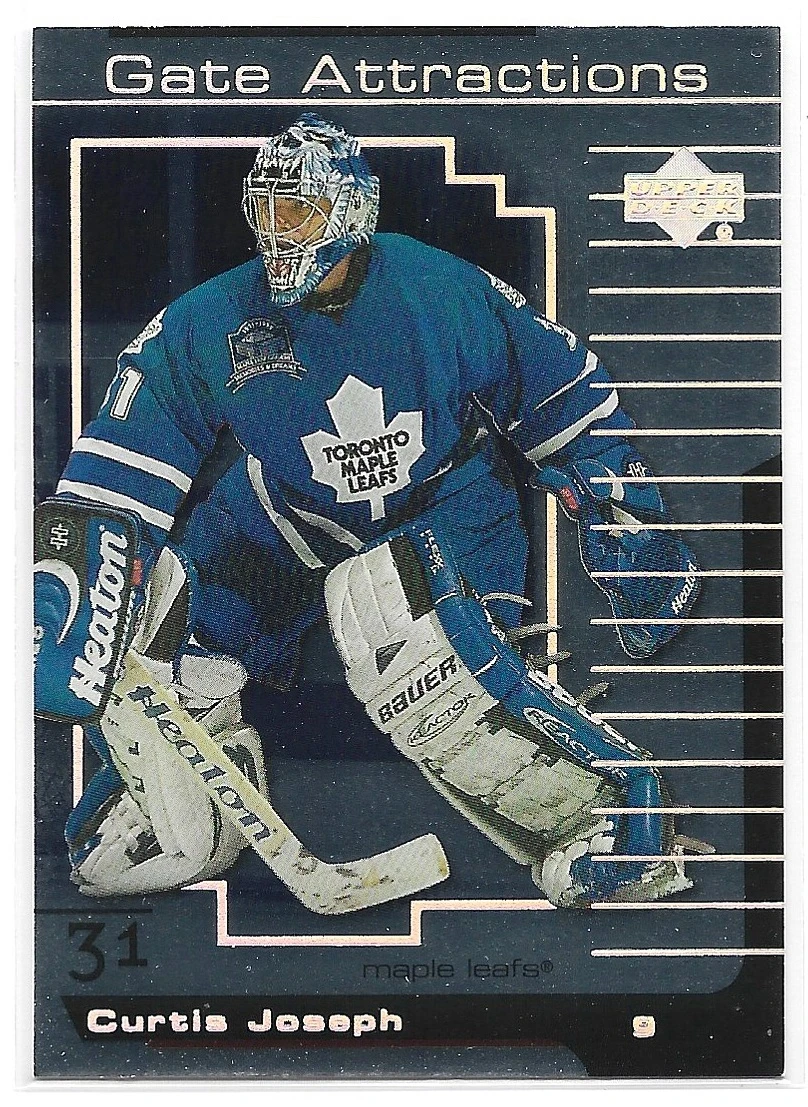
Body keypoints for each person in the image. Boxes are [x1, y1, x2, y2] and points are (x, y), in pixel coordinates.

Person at [34, 114, 703, 908]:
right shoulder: (214, 317)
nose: (278, 232)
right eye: (266, 209)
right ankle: (191, 815)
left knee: (417, 652)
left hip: (448, 510)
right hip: (286, 514)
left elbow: (562, 391)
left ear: (351, 210)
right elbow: (124, 451)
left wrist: (627, 523)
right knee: (158, 631)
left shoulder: (438, 289)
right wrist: (75, 568)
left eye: (298, 210)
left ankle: (616, 820)